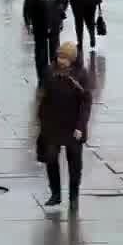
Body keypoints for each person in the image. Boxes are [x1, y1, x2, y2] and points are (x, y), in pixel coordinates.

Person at [38, 41, 92, 212]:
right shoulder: (50, 71)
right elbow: (45, 97)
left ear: (72, 59)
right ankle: (55, 193)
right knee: (51, 157)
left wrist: (80, 127)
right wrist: (42, 120)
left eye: (65, 58)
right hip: (53, 124)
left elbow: (86, 103)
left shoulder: (80, 75)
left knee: (74, 162)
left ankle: (73, 196)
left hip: (73, 125)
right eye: (60, 56)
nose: (61, 60)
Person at [23, 0, 69, 83]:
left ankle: (55, 75)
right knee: (41, 53)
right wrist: (28, 23)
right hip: (39, 26)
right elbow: (27, 9)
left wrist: (61, 12)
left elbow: (64, 1)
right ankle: (42, 77)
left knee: (55, 51)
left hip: (54, 25)